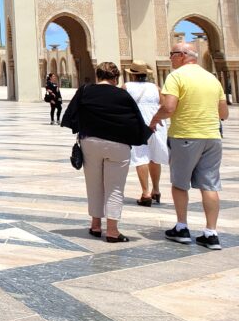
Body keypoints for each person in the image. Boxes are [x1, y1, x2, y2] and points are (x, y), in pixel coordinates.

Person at [61, 61, 152, 243]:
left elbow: (70, 116)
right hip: (118, 146)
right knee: (115, 188)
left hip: (91, 143)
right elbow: (135, 121)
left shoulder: (85, 91)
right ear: (116, 78)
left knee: (94, 184)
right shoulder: (123, 95)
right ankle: (112, 230)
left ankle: (95, 225)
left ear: (97, 76)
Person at [149, 42, 229, 250]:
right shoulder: (212, 79)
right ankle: (211, 233)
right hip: (212, 137)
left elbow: (168, 107)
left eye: (173, 54)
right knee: (209, 185)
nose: (171, 58)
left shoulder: (176, 77)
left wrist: (154, 120)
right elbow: (224, 114)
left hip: (185, 136)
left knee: (180, 183)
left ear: (183, 55)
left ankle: (182, 227)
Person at [124, 61, 169, 206]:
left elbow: (121, 104)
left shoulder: (127, 87)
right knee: (154, 157)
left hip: (138, 124)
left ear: (132, 74)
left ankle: (146, 193)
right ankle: (156, 190)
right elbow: (164, 105)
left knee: (140, 156)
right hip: (156, 125)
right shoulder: (156, 88)